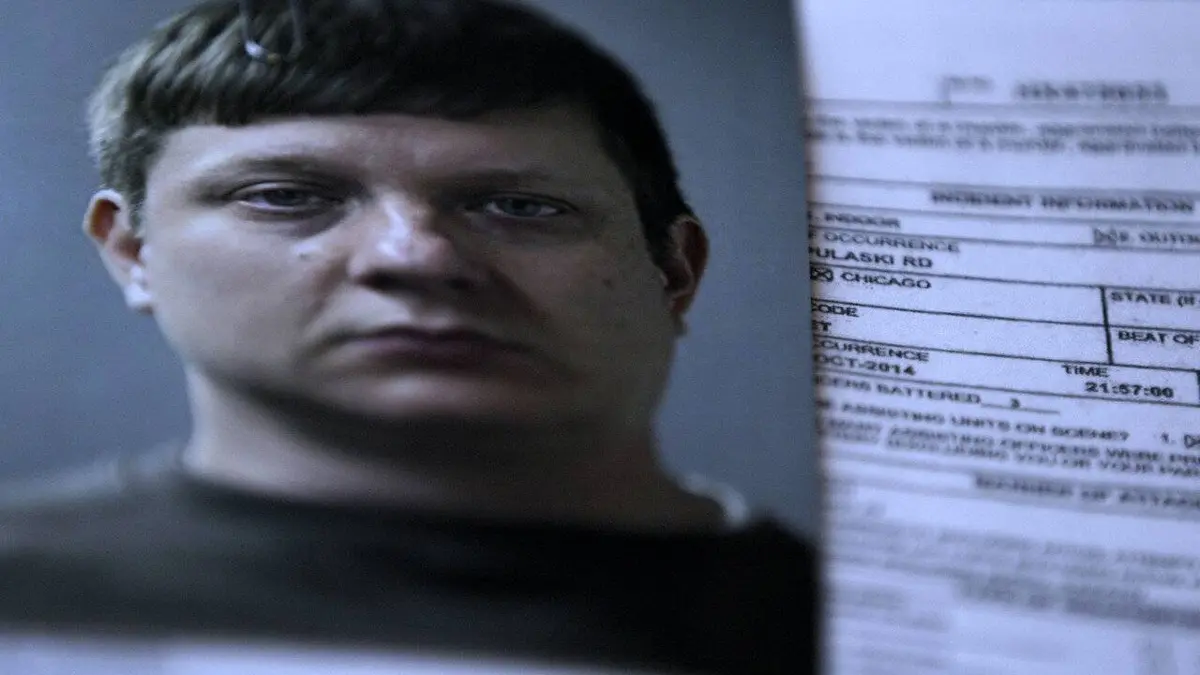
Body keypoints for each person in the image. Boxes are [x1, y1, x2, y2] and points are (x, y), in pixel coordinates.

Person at [0, 0, 817, 672]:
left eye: (520, 206)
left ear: (673, 270)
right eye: (286, 195)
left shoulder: (854, 628)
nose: (416, 256)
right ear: (133, 252)